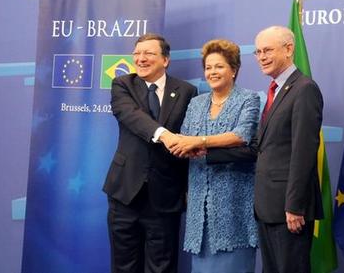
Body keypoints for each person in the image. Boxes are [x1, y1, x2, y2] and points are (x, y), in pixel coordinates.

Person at [103, 33, 197, 273]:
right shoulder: (122, 84)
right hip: (125, 193)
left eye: (149, 53)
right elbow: (132, 117)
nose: (141, 59)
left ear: (165, 60)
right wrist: (166, 135)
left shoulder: (186, 91)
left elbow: (190, 136)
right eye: (137, 54)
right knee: (124, 266)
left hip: (165, 196)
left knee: (162, 267)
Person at [167, 39, 260, 273]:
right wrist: (188, 143)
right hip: (198, 198)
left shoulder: (248, 98)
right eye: (208, 67)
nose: (212, 72)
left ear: (234, 70)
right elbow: (186, 137)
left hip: (235, 197)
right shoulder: (196, 102)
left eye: (218, 66)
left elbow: (241, 135)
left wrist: (200, 142)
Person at [253, 26, 324, 273]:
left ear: (289, 49)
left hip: (289, 209)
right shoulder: (275, 90)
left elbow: (304, 151)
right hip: (267, 206)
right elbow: (264, 147)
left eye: (268, 50)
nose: (261, 56)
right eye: (258, 52)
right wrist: (207, 151)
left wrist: (294, 206)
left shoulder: (304, 89)